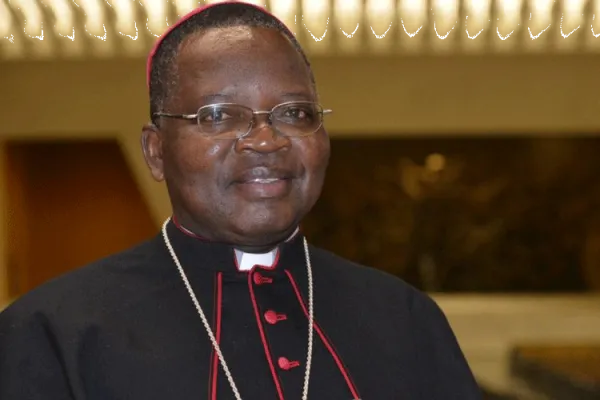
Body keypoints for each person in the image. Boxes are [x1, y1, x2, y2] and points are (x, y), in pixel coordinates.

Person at [0, 2, 482, 399]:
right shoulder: (49, 335)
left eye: (294, 112)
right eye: (218, 115)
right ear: (156, 152)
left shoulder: (406, 319)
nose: (266, 140)